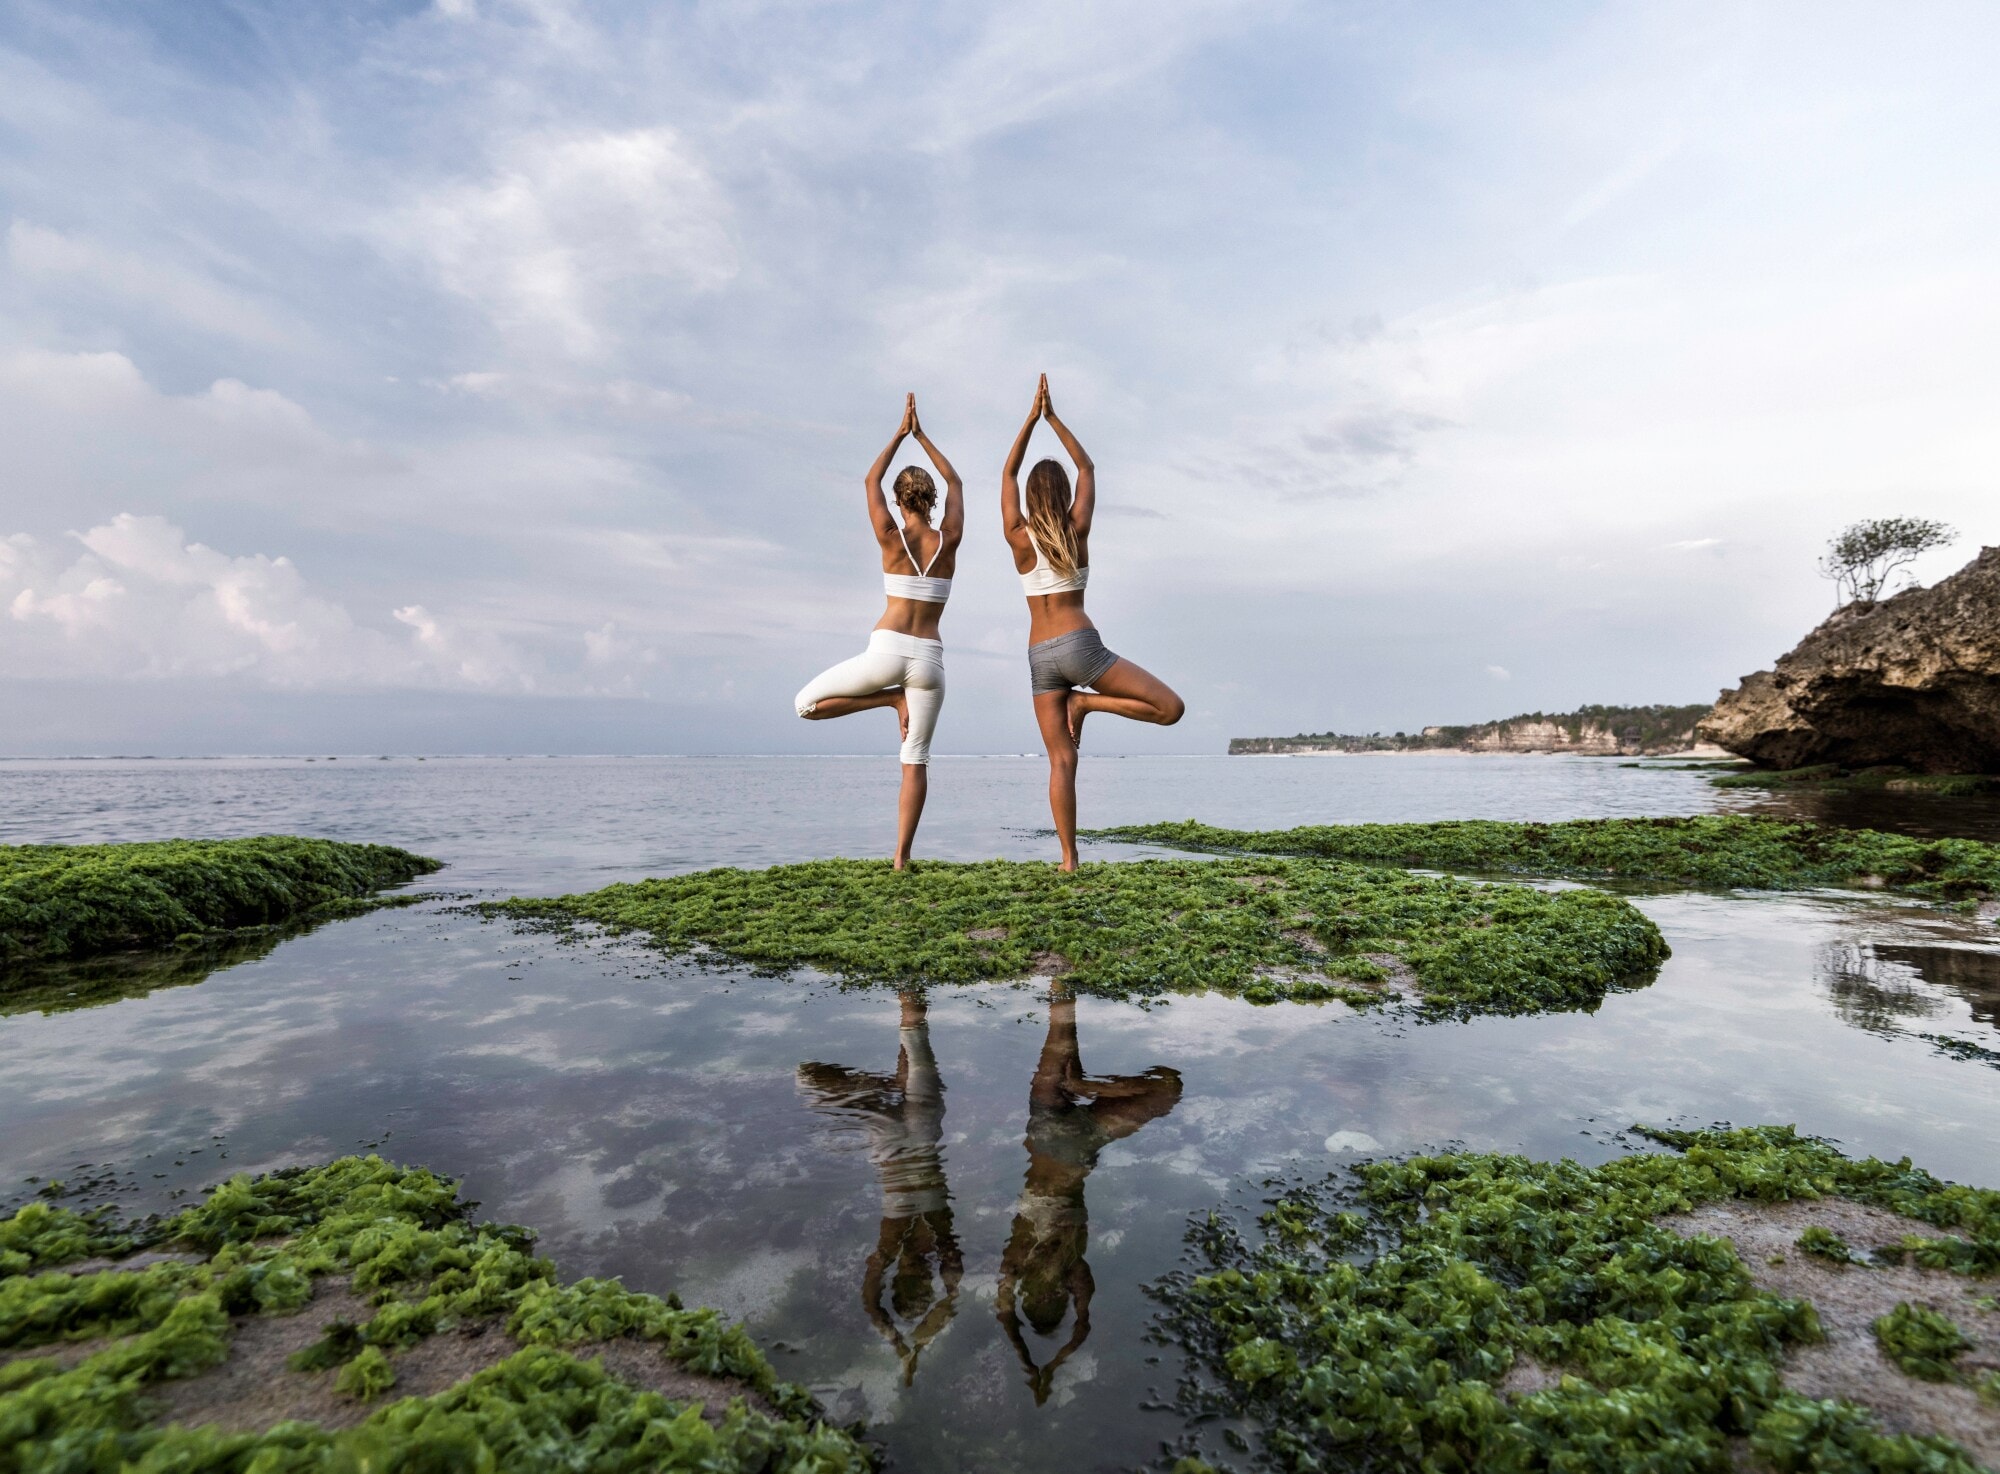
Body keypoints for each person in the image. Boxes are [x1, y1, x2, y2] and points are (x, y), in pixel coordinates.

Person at [1001, 374, 1184, 870]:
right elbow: (1086, 465)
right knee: (1171, 708)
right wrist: (1053, 417)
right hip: (1080, 646)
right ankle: (1087, 705)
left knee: (1062, 762)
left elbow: (1009, 472)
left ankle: (1068, 860)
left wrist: (1029, 420)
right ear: (1061, 494)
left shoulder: (1018, 537)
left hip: (1039, 657)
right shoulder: (1076, 531)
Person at [796, 394, 964, 868]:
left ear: (898, 499)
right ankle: (901, 859)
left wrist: (900, 433)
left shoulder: (890, 537)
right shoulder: (949, 540)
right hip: (930, 660)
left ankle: (888, 699)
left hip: (886, 653)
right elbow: (955, 480)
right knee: (915, 761)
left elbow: (870, 478)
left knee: (803, 705)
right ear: (932, 499)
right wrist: (923, 435)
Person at [994, 981, 1182, 1404]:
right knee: (1061, 1024)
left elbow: (1081, 1328)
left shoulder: (1070, 1267)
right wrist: (1032, 1364)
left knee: (1168, 1088)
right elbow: (1009, 1319)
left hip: (1080, 1148)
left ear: (1057, 1298)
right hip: (1048, 1134)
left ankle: (1084, 1085)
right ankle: (1081, 1083)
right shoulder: (1018, 1263)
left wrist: (1047, 1367)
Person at [797, 991, 963, 1387]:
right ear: (896, 1282)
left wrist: (914, 1342)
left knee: (917, 1040)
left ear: (920, 1282)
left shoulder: (941, 1244)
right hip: (890, 1139)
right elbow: (870, 1301)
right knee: (804, 1079)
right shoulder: (893, 1243)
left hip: (921, 1134)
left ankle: (908, 994)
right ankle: (888, 1067)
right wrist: (899, 1341)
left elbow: (950, 1298)